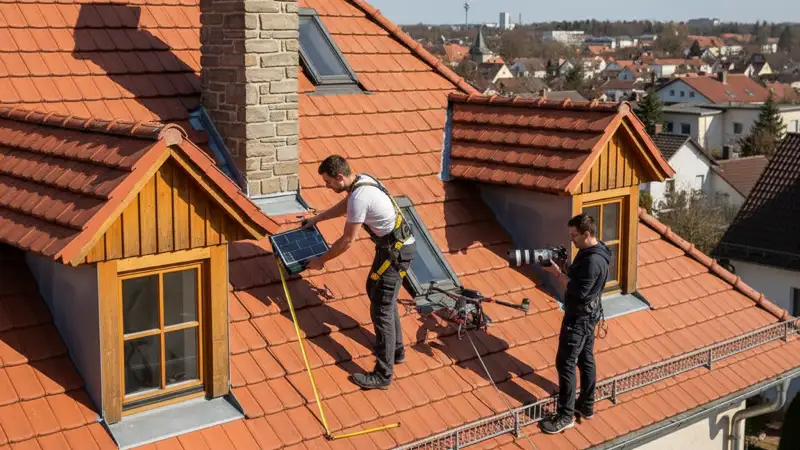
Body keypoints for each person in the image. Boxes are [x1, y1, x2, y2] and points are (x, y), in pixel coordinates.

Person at [302, 155, 416, 390]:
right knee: (375, 290)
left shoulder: (360, 197)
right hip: (394, 247)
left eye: (328, 182)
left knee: (381, 307)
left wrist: (320, 261)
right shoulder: (362, 182)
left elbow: (347, 241)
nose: (327, 186)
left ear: (340, 177)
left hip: (395, 252)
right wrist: (319, 218)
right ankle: (396, 350)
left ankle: (383, 375)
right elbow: (346, 206)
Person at [539, 214, 610, 434]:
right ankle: (586, 406)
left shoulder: (592, 262)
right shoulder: (599, 251)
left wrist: (557, 273)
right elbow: (580, 280)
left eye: (574, 235)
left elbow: (577, 291)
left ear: (586, 234)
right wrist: (567, 267)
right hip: (590, 315)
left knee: (566, 363)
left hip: (578, 319)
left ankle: (565, 415)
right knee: (586, 358)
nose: (571, 240)